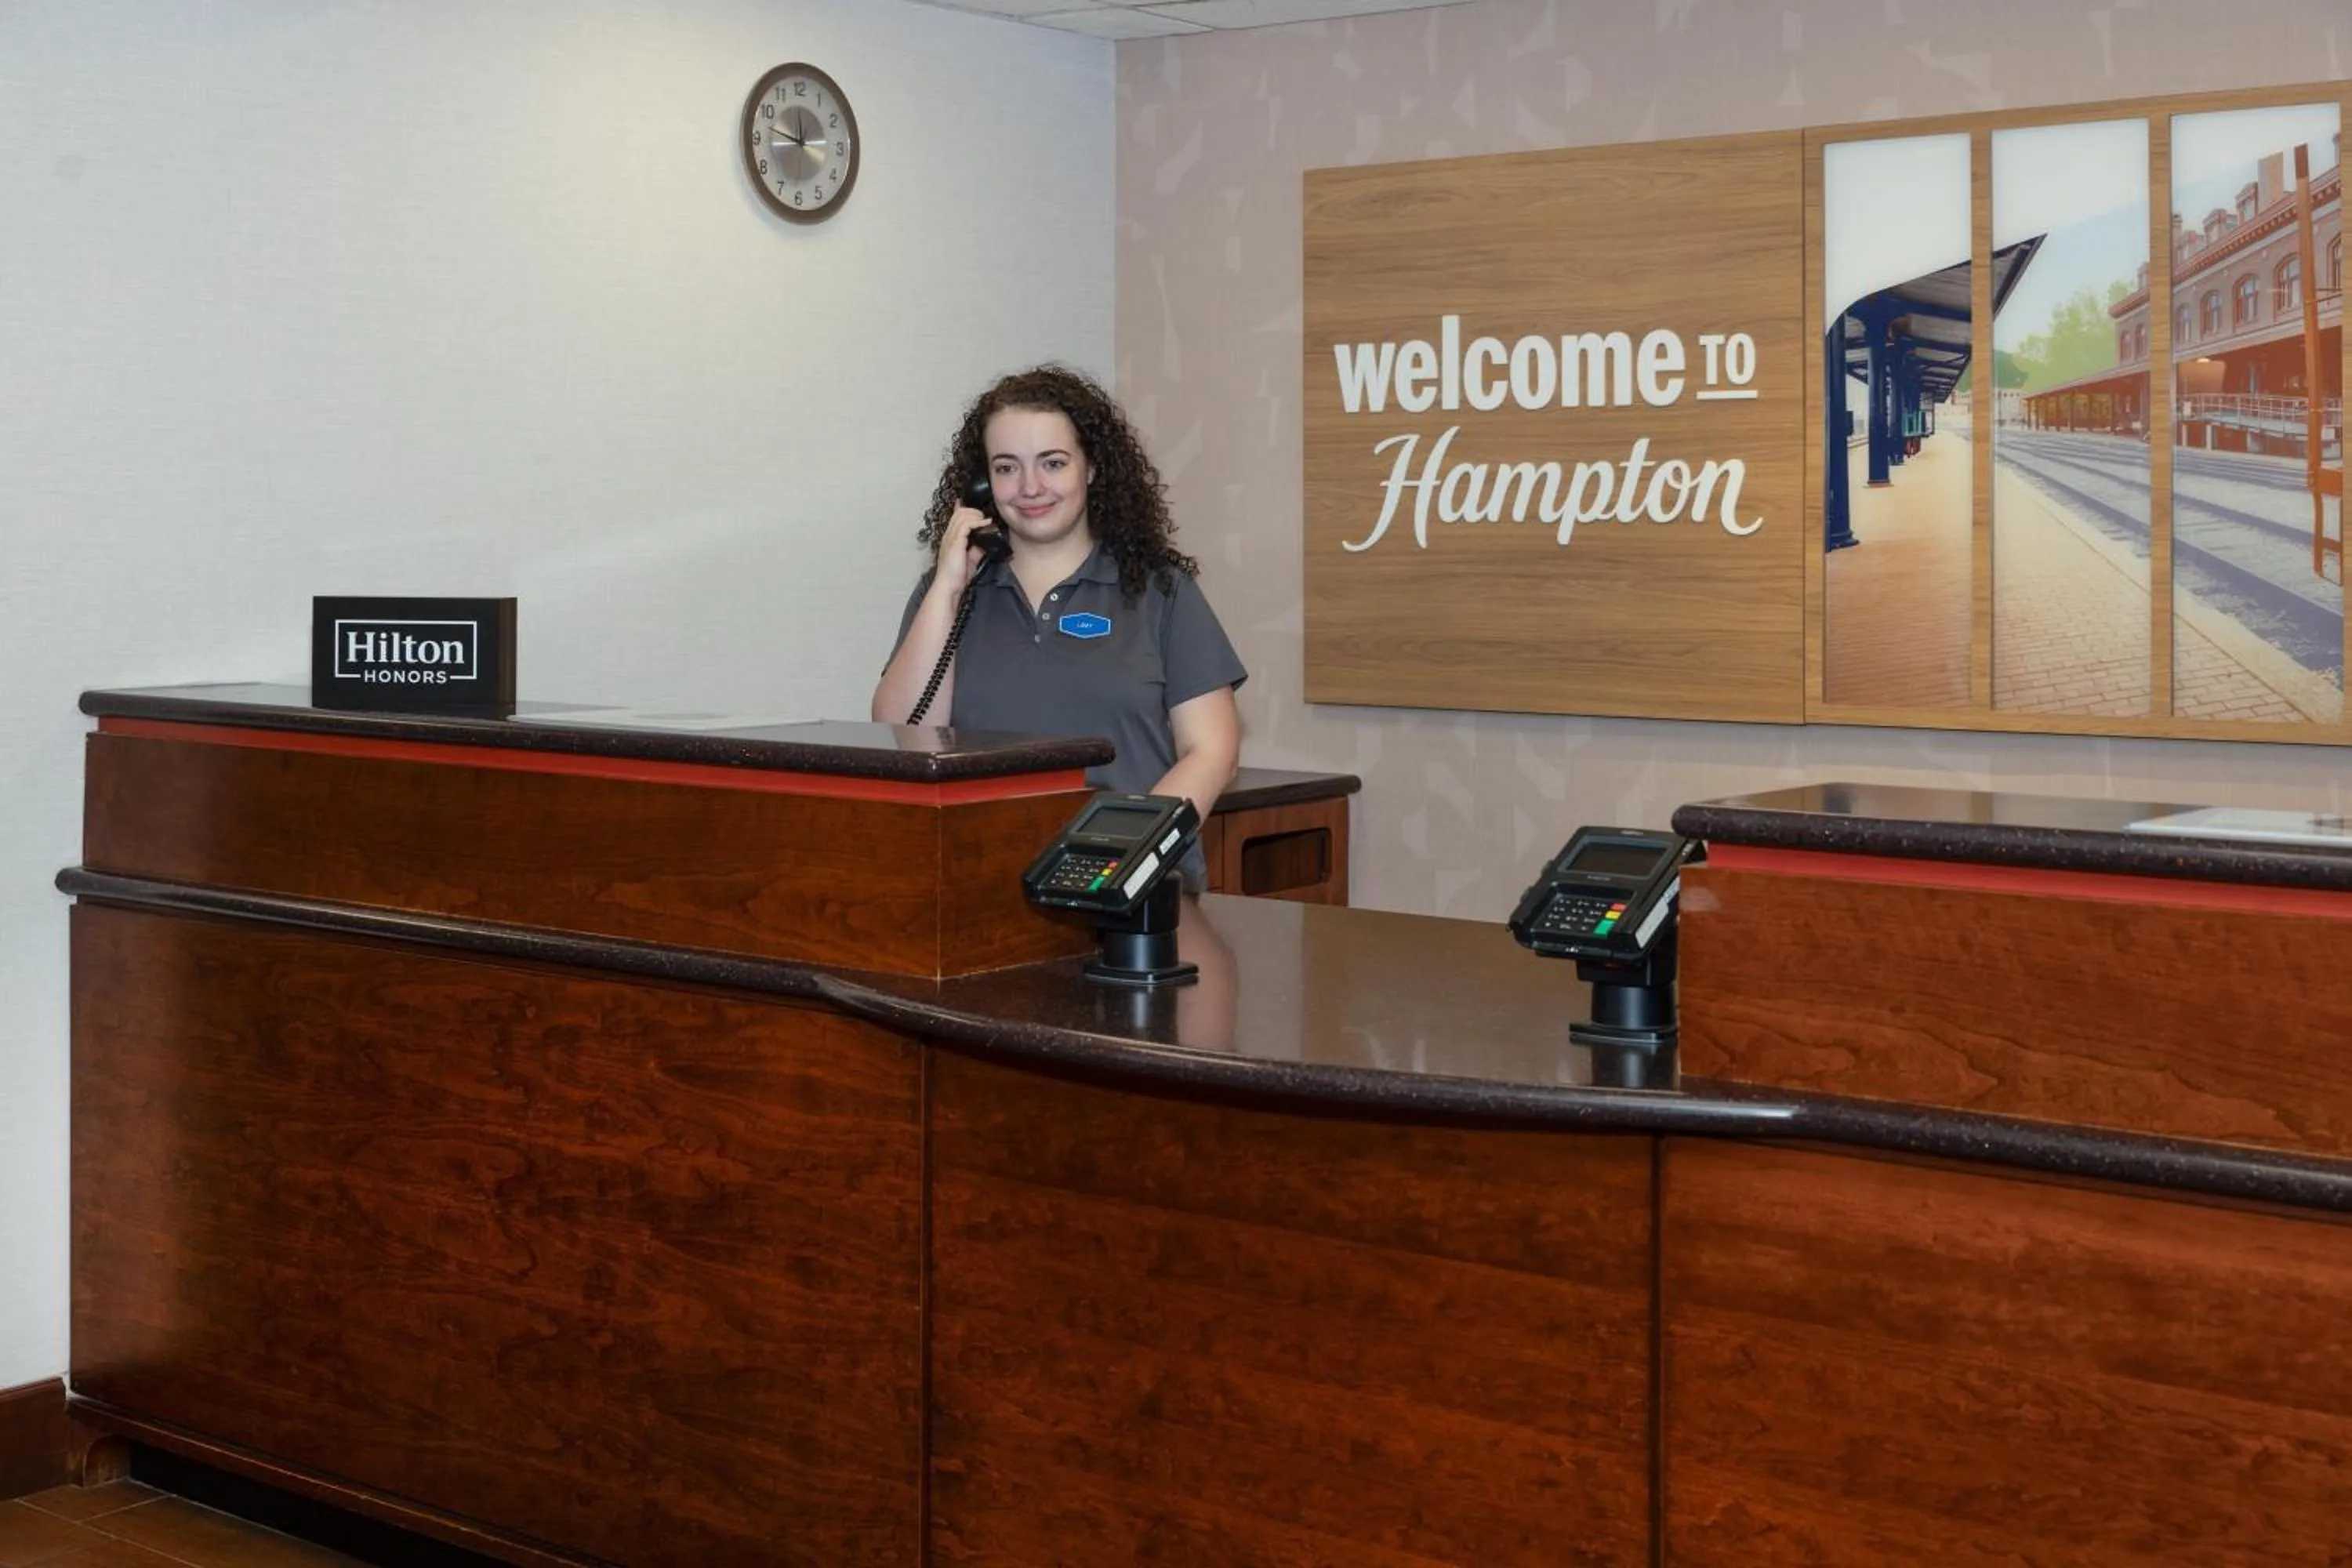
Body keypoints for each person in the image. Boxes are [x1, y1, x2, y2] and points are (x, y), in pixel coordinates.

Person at [873, 365, 1245, 841]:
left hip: (1125, 877)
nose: (1030, 487)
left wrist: (1123, 851)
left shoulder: (1161, 590)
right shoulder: (946, 596)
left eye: (1052, 462)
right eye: (1006, 467)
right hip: (974, 875)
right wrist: (948, 587)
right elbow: (900, 740)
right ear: (982, 485)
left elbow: (1213, 751)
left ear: (1090, 468)